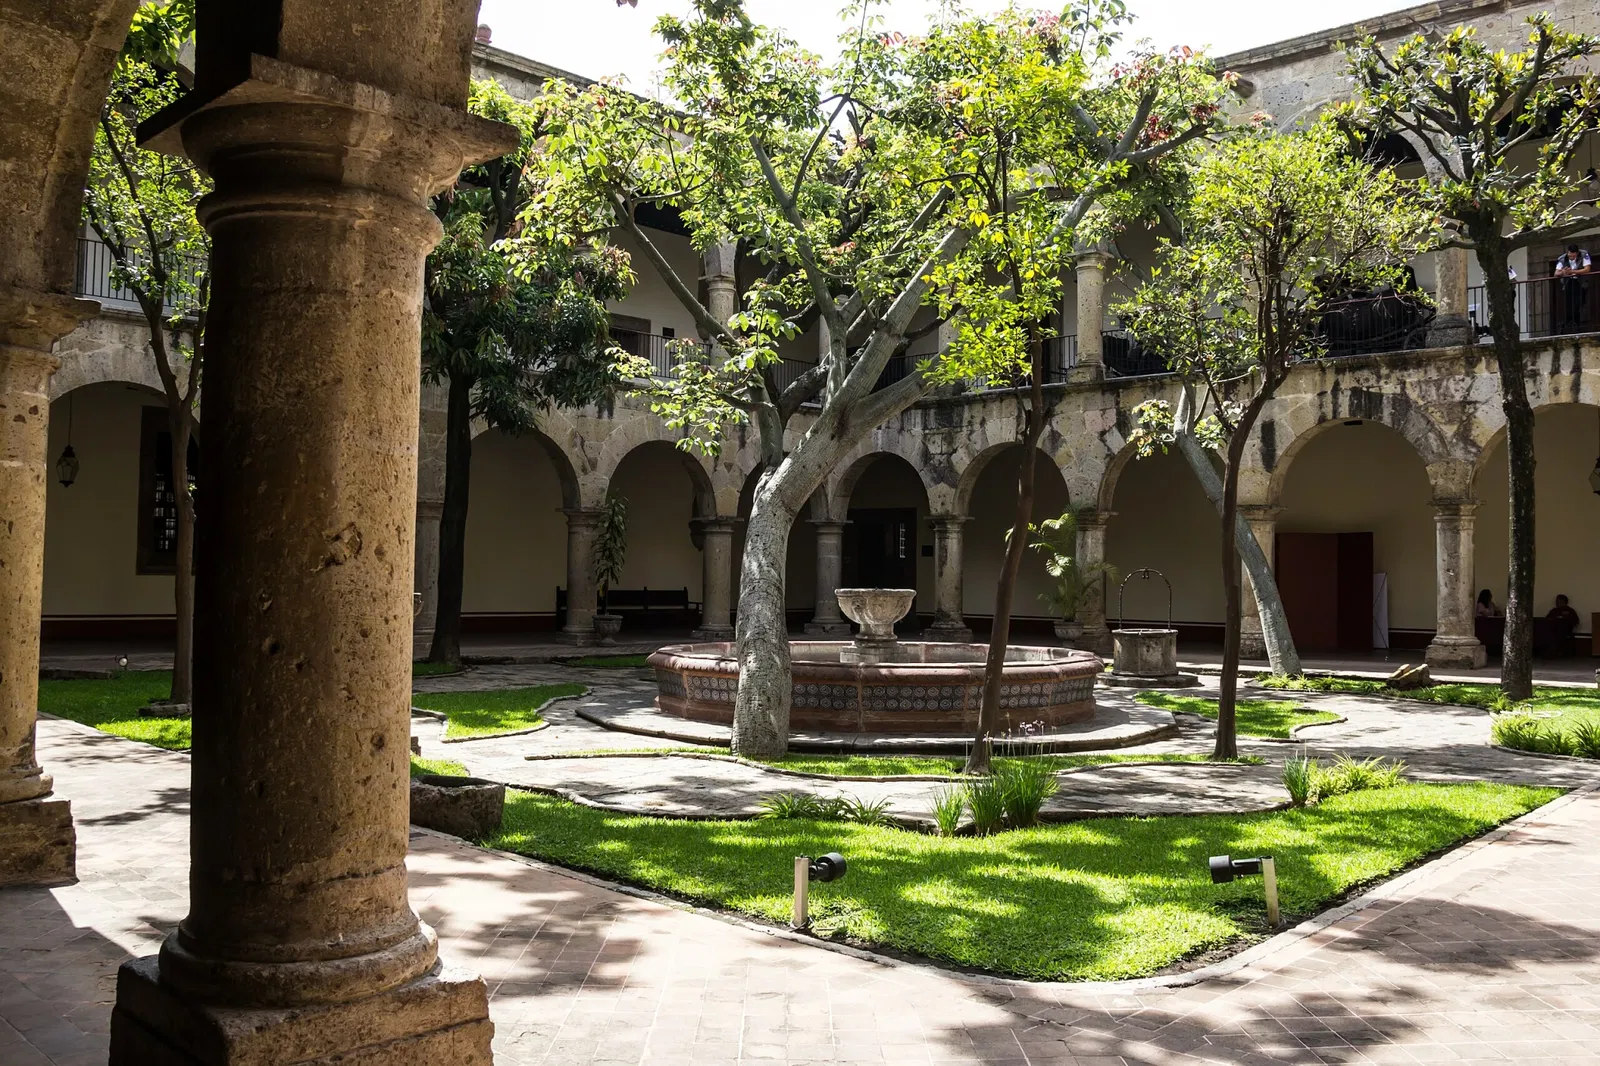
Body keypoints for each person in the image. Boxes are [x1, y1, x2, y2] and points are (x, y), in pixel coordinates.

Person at [1554, 243, 1593, 332]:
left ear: (1577, 253)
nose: (1570, 256)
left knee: (1579, 303)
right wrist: (1563, 272)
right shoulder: (1562, 258)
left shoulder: (1584, 255)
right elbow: (1556, 273)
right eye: (1569, 254)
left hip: (1581, 283)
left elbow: (1587, 269)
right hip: (1569, 283)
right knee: (1570, 305)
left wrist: (1572, 271)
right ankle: (1572, 324)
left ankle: (1569, 323)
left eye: (1573, 255)